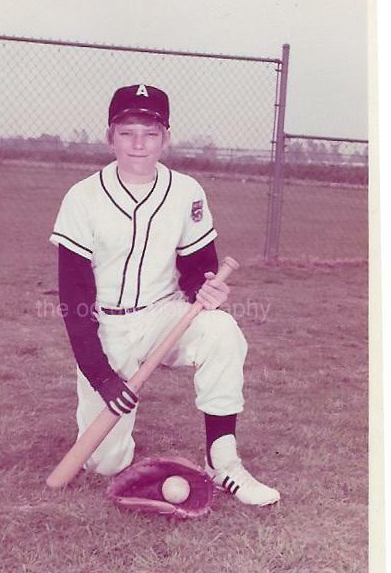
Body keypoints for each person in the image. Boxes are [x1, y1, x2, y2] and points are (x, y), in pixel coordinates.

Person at [50, 84, 279, 506]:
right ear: (110, 136)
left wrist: (206, 289)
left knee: (221, 330)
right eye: (127, 131)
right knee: (104, 462)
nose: (139, 143)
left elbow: (197, 270)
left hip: (163, 315)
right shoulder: (82, 198)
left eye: (150, 132)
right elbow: (74, 300)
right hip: (106, 325)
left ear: (166, 137)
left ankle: (222, 458)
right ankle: (115, 444)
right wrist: (101, 375)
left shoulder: (186, 191)